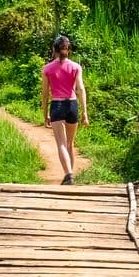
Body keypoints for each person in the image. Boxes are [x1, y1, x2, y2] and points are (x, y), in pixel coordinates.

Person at [40, 34, 88, 185]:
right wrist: (85, 112)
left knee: (61, 143)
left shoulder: (47, 69)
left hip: (57, 106)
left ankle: (68, 174)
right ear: (68, 50)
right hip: (72, 105)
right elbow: (80, 89)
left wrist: (45, 114)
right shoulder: (76, 67)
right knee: (70, 144)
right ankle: (70, 176)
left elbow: (45, 94)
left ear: (54, 50)